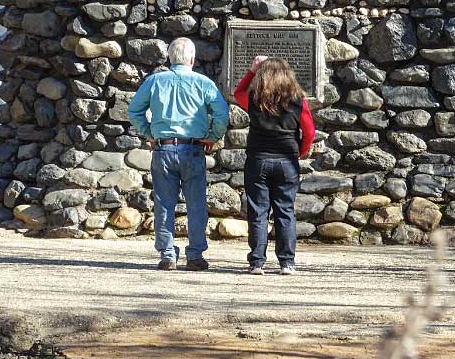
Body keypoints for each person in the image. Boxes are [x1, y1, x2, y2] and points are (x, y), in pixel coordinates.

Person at [128, 37, 229, 272]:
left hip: (163, 148)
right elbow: (222, 115)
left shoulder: (154, 81)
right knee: (196, 204)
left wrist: (149, 134)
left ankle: (167, 255)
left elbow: (134, 111)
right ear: (192, 59)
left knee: (164, 204)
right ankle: (194, 255)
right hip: (193, 148)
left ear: (169, 58)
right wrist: (212, 137)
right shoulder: (203, 83)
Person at [234, 55, 315, 276]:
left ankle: (257, 262)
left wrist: (251, 70)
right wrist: (300, 151)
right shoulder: (299, 100)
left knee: (258, 212)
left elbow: (237, 93)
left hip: (258, 160)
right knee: (285, 211)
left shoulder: (253, 99)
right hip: (287, 160)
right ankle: (287, 262)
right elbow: (309, 132)